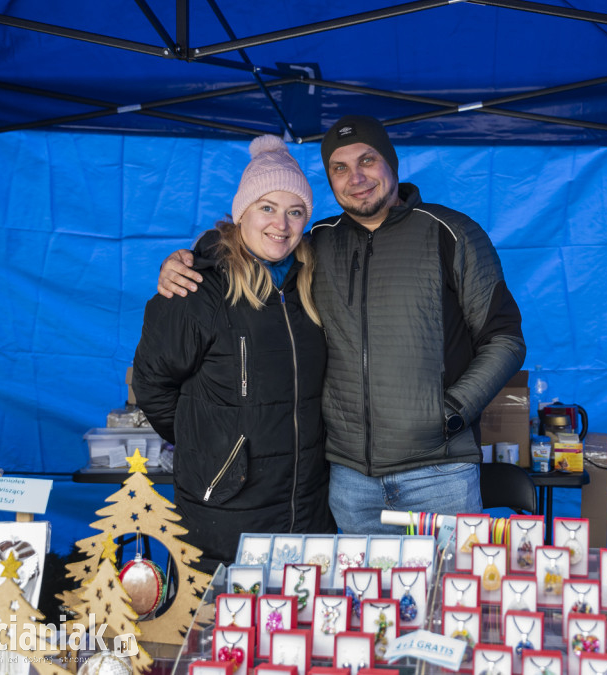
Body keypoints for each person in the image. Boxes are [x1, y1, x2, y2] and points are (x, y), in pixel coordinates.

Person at [158, 116, 526, 534]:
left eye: (367, 160)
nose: (356, 177)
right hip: (350, 481)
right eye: (339, 167)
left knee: (447, 595)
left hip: (438, 475)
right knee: (358, 597)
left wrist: (452, 414)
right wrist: (191, 260)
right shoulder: (318, 243)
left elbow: (505, 339)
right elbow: (254, 248)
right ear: (330, 180)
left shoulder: (451, 233)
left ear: (391, 162)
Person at [133, 135, 335, 571]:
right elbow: (153, 385)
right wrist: (218, 448)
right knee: (221, 632)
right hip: (226, 508)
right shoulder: (197, 288)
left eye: (294, 211)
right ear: (241, 212)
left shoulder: (312, 285)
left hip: (307, 505)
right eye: (267, 207)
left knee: (296, 633)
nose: (281, 224)